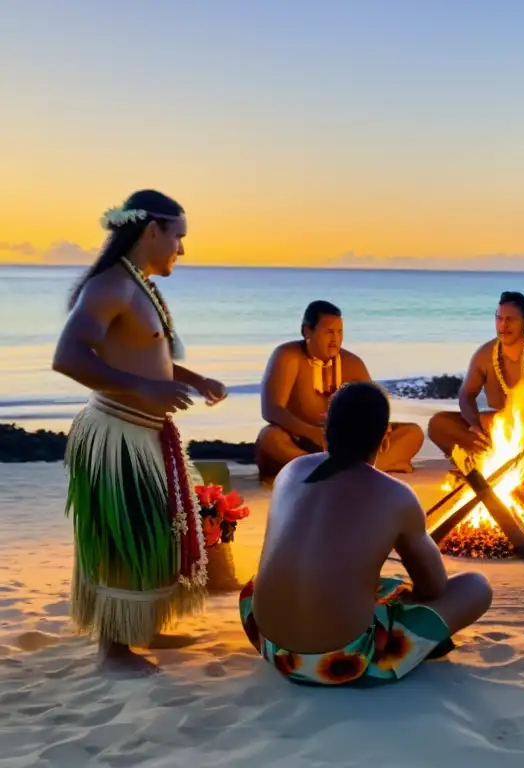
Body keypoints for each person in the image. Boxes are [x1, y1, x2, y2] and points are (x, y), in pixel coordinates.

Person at [52, 190, 228, 674]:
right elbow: (67, 357)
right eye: (179, 237)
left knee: (157, 537)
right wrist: (142, 391)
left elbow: (146, 355)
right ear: (153, 231)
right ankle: (112, 649)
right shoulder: (110, 287)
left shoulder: (139, 284)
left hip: (145, 432)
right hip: (117, 434)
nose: (182, 250)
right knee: (124, 537)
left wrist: (195, 379)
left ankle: (142, 626)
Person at [240, 381, 492, 686]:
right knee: (476, 587)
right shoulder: (397, 495)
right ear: (384, 439)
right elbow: (434, 587)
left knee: (291, 580)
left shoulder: (290, 471)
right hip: (342, 662)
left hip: (269, 642)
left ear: (325, 429)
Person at [254, 300, 424, 483]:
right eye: (329, 332)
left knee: (412, 433)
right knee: (269, 438)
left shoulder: (352, 363)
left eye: (339, 332)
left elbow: (375, 408)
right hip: (299, 442)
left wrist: (382, 429)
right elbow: (271, 409)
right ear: (307, 331)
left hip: (344, 445)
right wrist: (312, 433)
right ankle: (374, 468)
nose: (335, 339)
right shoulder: (287, 356)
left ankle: (330, 473)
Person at [426, 291, 524, 468]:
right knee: (438, 424)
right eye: (499, 318)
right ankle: (516, 453)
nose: (503, 325)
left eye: (510, 319)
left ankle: (492, 453)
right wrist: (474, 426)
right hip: (495, 424)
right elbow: (466, 395)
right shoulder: (485, 354)